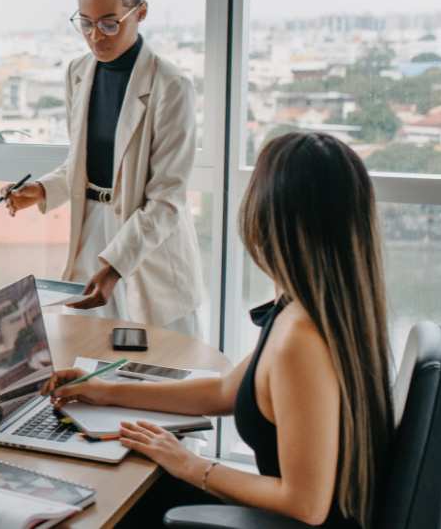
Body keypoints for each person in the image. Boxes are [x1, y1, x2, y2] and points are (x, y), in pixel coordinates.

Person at [43, 132, 394, 529]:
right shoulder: (312, 308)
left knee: (100, 503)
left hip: (285, 522)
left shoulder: (302, 339)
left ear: (269, 218)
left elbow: (306, 504)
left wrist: (190, 464)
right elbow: (225, 390)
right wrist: (103, 391)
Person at [3, 0, 203, 335]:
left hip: (149, 244)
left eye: (110, 23)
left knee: (163, 368)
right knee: (88, 355)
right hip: (91, 232)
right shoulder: (78, 73)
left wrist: (115, 267)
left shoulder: (172, 86)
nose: (96, 36)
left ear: (141, 13)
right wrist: (39, 191)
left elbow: (166, 199)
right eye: (86, 23)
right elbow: (82, 165)